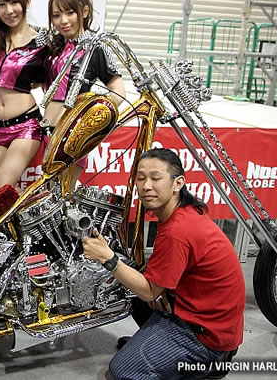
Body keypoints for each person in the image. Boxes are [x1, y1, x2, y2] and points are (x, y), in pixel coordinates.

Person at [82, 148, 245, 380]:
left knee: (123, 371)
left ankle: (202, 364)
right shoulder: (184, 212)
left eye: (156, 178)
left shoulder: (178, 230)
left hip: (207, 338)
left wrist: (108, 258)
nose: (146, 186)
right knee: (131, 289)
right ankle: (156, 349)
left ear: (178, 183)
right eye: (141, 178)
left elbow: (150, 291)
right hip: (199, 313)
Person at [43, 0, 126, 191]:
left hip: (72, 137)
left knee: (61, 195)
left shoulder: (96, 47)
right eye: (56, 15)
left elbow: (118, 92)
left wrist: (87, 121)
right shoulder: (55, 46)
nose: (63, 21)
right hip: (48, 132)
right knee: (50, 194)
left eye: (70, 12)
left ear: (85, 11)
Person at [0, 0, 47, 192]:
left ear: (27, 2)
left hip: (25, 126)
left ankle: (39, 212)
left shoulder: (43, 41)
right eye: (2, 4)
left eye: (14, 3)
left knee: (1, 186)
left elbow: (51, 80)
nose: (9, 10)